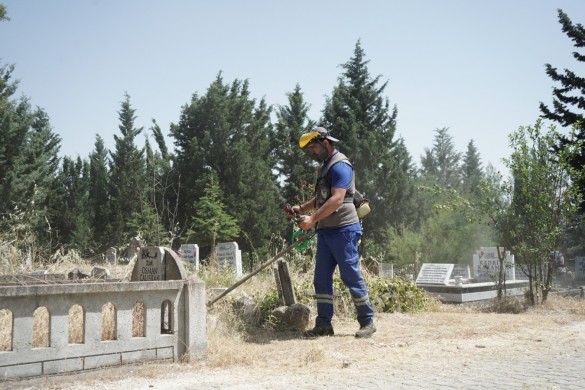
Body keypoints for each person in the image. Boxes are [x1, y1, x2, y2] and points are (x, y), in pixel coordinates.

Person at [289, 126, 376, 339]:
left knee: (350, 276)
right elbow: (321, 198)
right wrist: (302, 209)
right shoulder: (325, 167)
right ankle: (324, 325)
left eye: (313, 148)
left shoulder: (340, 166)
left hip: (344, 230)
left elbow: (337, 199)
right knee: (321, 279)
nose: (312, 153)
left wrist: (312, 219)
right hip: (327, 232)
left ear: (325, 143)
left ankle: (367, 322)